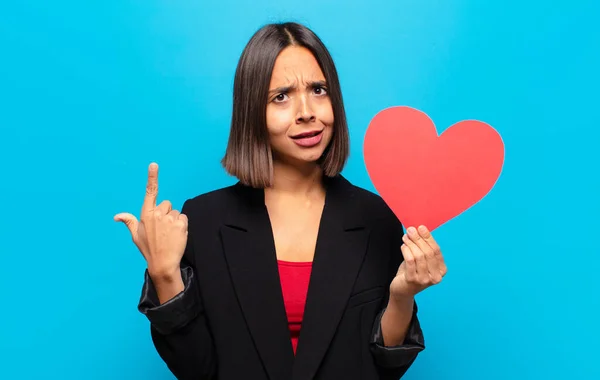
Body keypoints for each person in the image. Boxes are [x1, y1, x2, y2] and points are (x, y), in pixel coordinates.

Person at [115, 21, 447, 380]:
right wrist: (165, 276)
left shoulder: (376, 217)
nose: (306, 111)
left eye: (318, 90)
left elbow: (384, 366)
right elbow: (198, 370)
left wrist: (402, 296)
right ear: (251, 112)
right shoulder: (203, 220)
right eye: (281, 96)